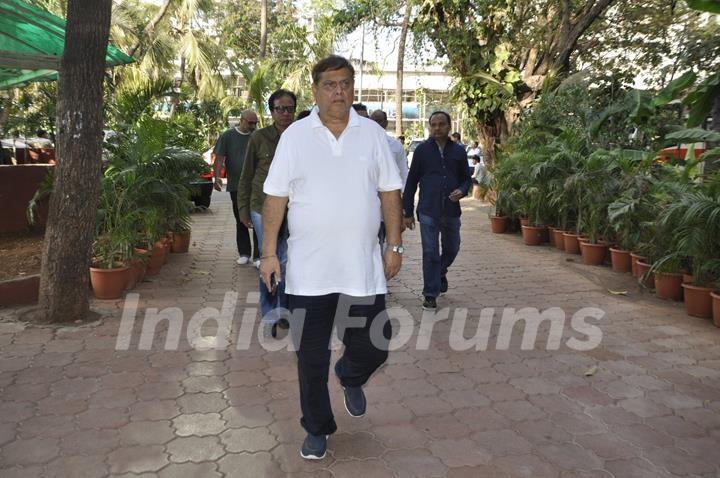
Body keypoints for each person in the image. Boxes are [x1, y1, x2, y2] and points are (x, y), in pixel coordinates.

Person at [260, 55, 403, 460]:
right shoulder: (295, 137)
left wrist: (394, 246)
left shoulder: (373, 135)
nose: (338, 92)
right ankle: (317, 427)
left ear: (353, 88)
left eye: (345, 84)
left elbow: (389, 192)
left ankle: (351, 374)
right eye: (329, 85)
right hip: (309, 272)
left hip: (361, 267)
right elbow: (275, 197)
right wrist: (269, 253)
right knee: (310, 357)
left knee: (376, 344)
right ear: (315, 91)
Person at [237, 90, 297, 335]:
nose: (285, 113)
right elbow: (246, 176)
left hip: (295, 209)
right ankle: (271, 311)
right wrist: (243, 210)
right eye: (280, 109)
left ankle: (286, 310)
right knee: (270, 257)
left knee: (287, 259)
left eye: (289, 108)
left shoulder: (301, 137)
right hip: (262, 207)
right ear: (271, 112)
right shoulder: (259, 138)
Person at [402, 111, 471, 310]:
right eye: (433, 124)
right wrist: (407, 211)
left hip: (451, 210)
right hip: (428, 209)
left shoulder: (458, 151)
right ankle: (430, 294)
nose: (437, 128)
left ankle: (440, 272)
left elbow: (466, 178)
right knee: (430, 252)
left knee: (452, 248)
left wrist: (462, 190)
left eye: (441, 124)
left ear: (449, 127)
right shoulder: (422, 151)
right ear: (430, 127)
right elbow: (412, 181)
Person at [213, 110, 260, 266]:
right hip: (236, 185)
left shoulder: (258, 136)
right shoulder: (228, 136)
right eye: (250, 123)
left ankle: (258, 256)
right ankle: (244, 252)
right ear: (242, 120)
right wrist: (217, 177)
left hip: (256, 185)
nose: (253, 126)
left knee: (257, 219)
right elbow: (219, 157)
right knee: (241, 218)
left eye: (255, 123)